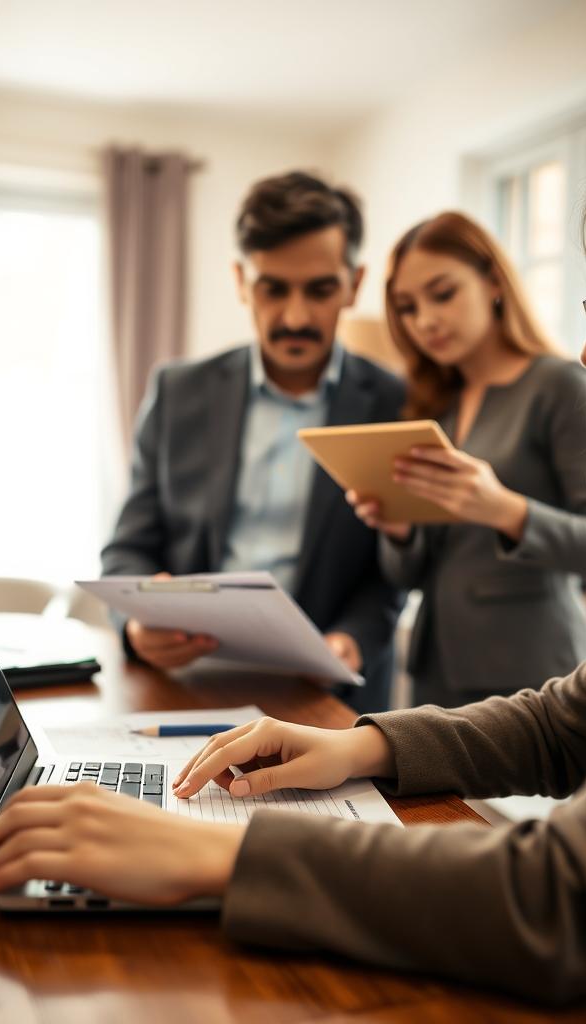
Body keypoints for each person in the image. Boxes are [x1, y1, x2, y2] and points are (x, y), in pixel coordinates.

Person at [0, 80, 586, 1020]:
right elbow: (574, 716)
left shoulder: (463, 402)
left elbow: (570, 893)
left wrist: (209, 850)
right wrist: (359, 744)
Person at [100, 171, 406, 713]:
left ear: (354, 284)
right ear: (242, 281)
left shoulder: (393, 402)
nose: (295, 317)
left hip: (326, 698)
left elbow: (392, 570)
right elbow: (128, 546)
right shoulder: (178, 392)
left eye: (320, 290)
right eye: (273, 289)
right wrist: (136, 625)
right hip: (185, 684)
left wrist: (353, 642)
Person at [347, 211, 586, 706]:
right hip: (433, 673)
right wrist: (397, 529)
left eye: (443, 294)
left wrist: (505, 510)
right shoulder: (432, 406)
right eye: (407, 307)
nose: (425, 321)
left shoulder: (559, 386)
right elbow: (409, 577)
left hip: (532, 675)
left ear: (493, 282)